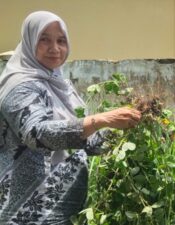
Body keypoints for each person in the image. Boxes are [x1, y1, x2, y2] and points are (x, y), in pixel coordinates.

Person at [0, 11, 141, 224]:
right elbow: (38, 134)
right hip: (25, 212)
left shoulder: (61, 86)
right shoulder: (18, 86)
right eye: (44, 39)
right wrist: (100, 119)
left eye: (61, 40)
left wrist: (129, 134)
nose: (54, 48)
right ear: (29, 41)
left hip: (64, 210)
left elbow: (87, 141)